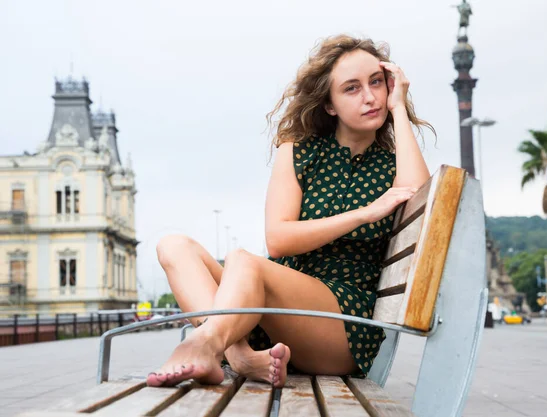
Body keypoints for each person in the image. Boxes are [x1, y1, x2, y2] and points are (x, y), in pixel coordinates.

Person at [146, 34, 434, 388]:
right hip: (276, 309)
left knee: (243, 260)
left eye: (377, 82)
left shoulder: (393, 163)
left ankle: (205, 344)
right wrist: (365, 213)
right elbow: (278, 239)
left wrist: (400, 108)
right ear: (330, 105)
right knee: (174, 246)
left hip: (344, 325)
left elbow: (421, 202)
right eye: (352, 88)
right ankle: (241, 356)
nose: (370, 96)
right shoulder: (299, 151)